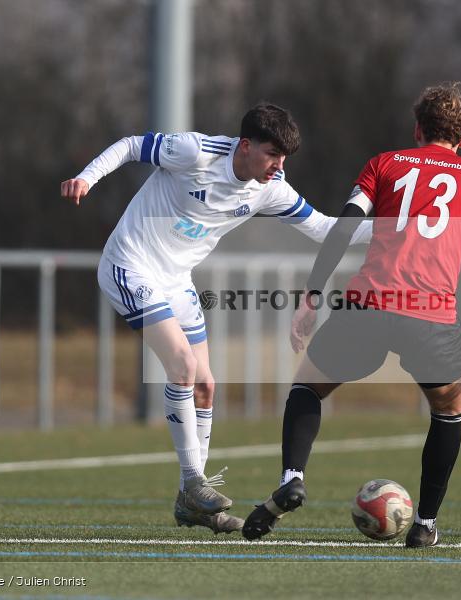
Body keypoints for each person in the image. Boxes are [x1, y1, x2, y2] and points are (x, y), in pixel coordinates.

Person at [242, 83, 461, 547]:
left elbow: (344, 226)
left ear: (417, 128)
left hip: (368, 304)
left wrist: (312, 295)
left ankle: (292, 477)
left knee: (307, 387)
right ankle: (425, 524)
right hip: (431, 315)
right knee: (449, 409)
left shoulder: (385, 164)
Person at [61, 104, 371, 534]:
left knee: (206, 384)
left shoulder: (271, 187)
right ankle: (193, 484)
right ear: (245, 146)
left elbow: (322, 228)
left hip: (175, 279)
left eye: (284, 159)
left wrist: (396, 231)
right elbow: (133, 146)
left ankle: (194, 506)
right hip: (130, 264)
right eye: (272, 155)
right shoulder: (196, 153)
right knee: (182, 367)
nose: (279, 167)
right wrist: (87, 178)